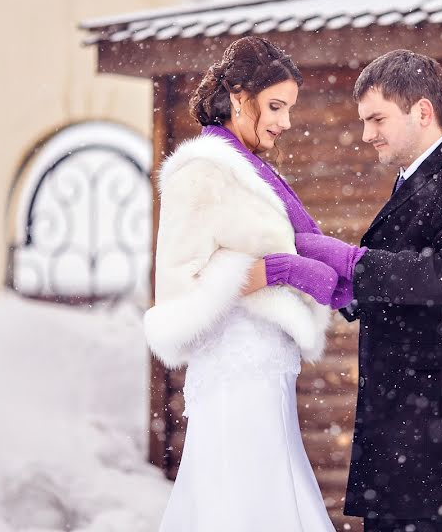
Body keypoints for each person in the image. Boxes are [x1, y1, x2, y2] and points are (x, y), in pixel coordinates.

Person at [293, 50, 442, 532]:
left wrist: (355, 263)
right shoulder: (415, 179)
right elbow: (410, 287)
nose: (366, 134)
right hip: (409, 447)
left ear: (423, 112)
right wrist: (340, 288)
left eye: (377, 119)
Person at [144, 36, 338, 532]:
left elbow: (299, 241)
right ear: (237, 96)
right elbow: (180, 293)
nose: (285, 122)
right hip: (235, 373)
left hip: (267, 373)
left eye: (288, 109)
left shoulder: (253, 170)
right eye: (275, 106)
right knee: (241, 507)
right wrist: (279, 271)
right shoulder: (200, 173)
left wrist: (352, 270)